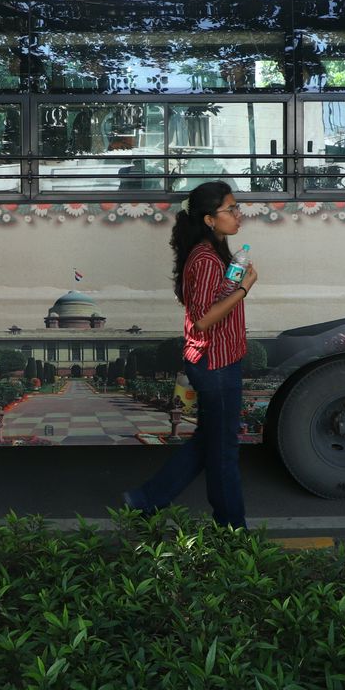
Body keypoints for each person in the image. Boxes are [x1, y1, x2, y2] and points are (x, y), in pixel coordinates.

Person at [123, 180, 257, 529]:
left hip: (219, 359)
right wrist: (244, 288)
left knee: (209, 440)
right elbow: (203, 320)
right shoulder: (206, 259)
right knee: (224, 452)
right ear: (210, 219)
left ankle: (146, 500)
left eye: (236, 207)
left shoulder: (213, 253)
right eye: (231, 209)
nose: (238, 215)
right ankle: (232, 530)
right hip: (216, 363)